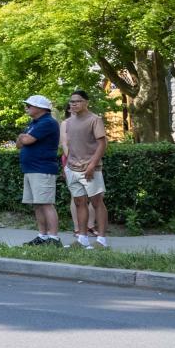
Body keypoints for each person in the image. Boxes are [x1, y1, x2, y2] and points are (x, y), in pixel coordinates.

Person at [62, 91, 107, 248]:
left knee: (97, 202)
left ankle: (101, 240)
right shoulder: (68, 122)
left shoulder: (95, 120)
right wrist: (67, 166)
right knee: (79, 202)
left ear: (86, 102)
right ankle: (82, 238)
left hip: (90, 169)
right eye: (71, 101)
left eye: (77, 101)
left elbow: (102, 144)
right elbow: (68, 146)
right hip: (72, 168)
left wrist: (92, 165)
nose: (73, 104)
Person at [18, 95, 62, 247]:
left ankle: (54, 238)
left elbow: (27, 140)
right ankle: (42, 236)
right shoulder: (33, 123)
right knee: (37, 204)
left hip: (42, 168)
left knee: (46, 204)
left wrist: (24, 138)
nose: (26, 108)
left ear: (40, 108)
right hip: (31, 169)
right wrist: (23, 137)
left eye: (29, 105)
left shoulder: (48, 122)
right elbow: (19, 143)